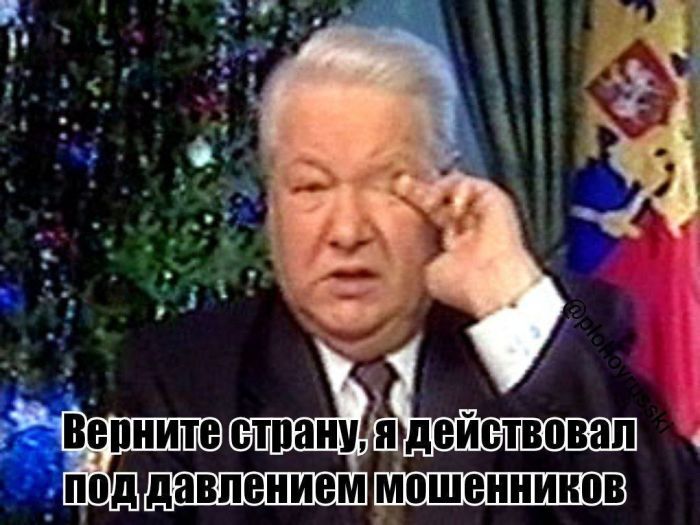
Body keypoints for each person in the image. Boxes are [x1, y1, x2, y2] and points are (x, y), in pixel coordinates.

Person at [98, 25, 699, 524]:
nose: (347, 231)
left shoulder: (553, 332)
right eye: (310, 187)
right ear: (271, 205)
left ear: (448, 189)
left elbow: (669, 511)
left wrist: (507, 292)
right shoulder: (179, 376)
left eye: (390, 185)